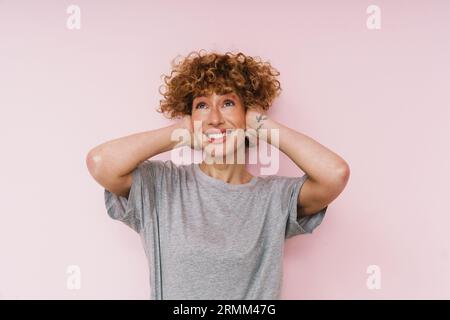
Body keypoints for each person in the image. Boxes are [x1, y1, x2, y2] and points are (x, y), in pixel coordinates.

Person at [86, 50, 350, 299]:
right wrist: (179, 132)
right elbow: (100, 163)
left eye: (227, 103)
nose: (214, 118)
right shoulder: (162, 186)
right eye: (201, 105)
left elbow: (335, 174)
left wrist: (262, 123)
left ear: (247, 112)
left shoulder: (275, 198)